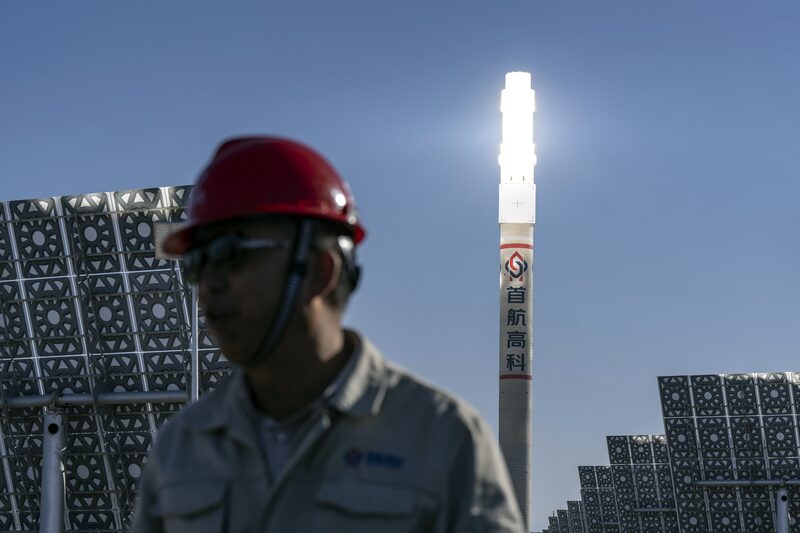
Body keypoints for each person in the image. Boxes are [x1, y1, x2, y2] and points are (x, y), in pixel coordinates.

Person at [132, 136, 526, 532]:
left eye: (228, 254)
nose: (208, 285)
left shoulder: (443, 439)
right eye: (197, 264)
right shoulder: (181, 447)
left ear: (320, 271)